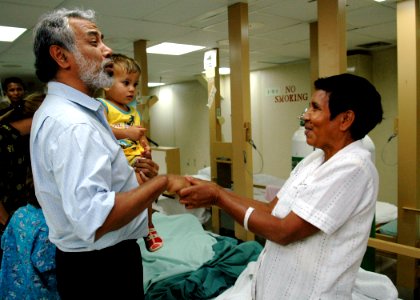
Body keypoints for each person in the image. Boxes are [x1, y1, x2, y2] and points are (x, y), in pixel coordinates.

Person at [177, 73, 384, 299]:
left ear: (345, 119)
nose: (305, 116)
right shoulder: (314, 160)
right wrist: (218, 192)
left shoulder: (353, 168)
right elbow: (272, 210)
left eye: (315, 108)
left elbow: (283, 231)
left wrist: (218, 197)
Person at [30, 8, 185, 299]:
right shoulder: (74, 124)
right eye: (94, 42)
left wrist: (135, 180)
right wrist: (160, 184)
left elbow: (94, 192)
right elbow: (95, 218)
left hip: (89, 263)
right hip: (102, 268)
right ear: (61, 57)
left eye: (104, 40)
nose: (107, 50)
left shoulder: (69, 112)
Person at [98, 53, 163, 252]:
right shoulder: (102, 106)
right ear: (107, 84)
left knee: (149, 187)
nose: (132, 89)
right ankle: (145, 226)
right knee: (138, 189)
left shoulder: (132, 110)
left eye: (135, 84)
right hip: (117, 162)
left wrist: (145, 145)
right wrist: (126, 132)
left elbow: (140, 133)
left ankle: (148, 226)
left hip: (135, 158)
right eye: (126, 83)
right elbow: (99, 130)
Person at [0, 92, 45, 260]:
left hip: (23, 222)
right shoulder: (3, 137)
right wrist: (8, 225)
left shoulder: (29, 138)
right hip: (8, 224)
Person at [0, 175, 59, 300]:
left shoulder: (19, 214)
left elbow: (4, 242)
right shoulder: (50, 225)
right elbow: (49, 266)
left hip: (11, 294)